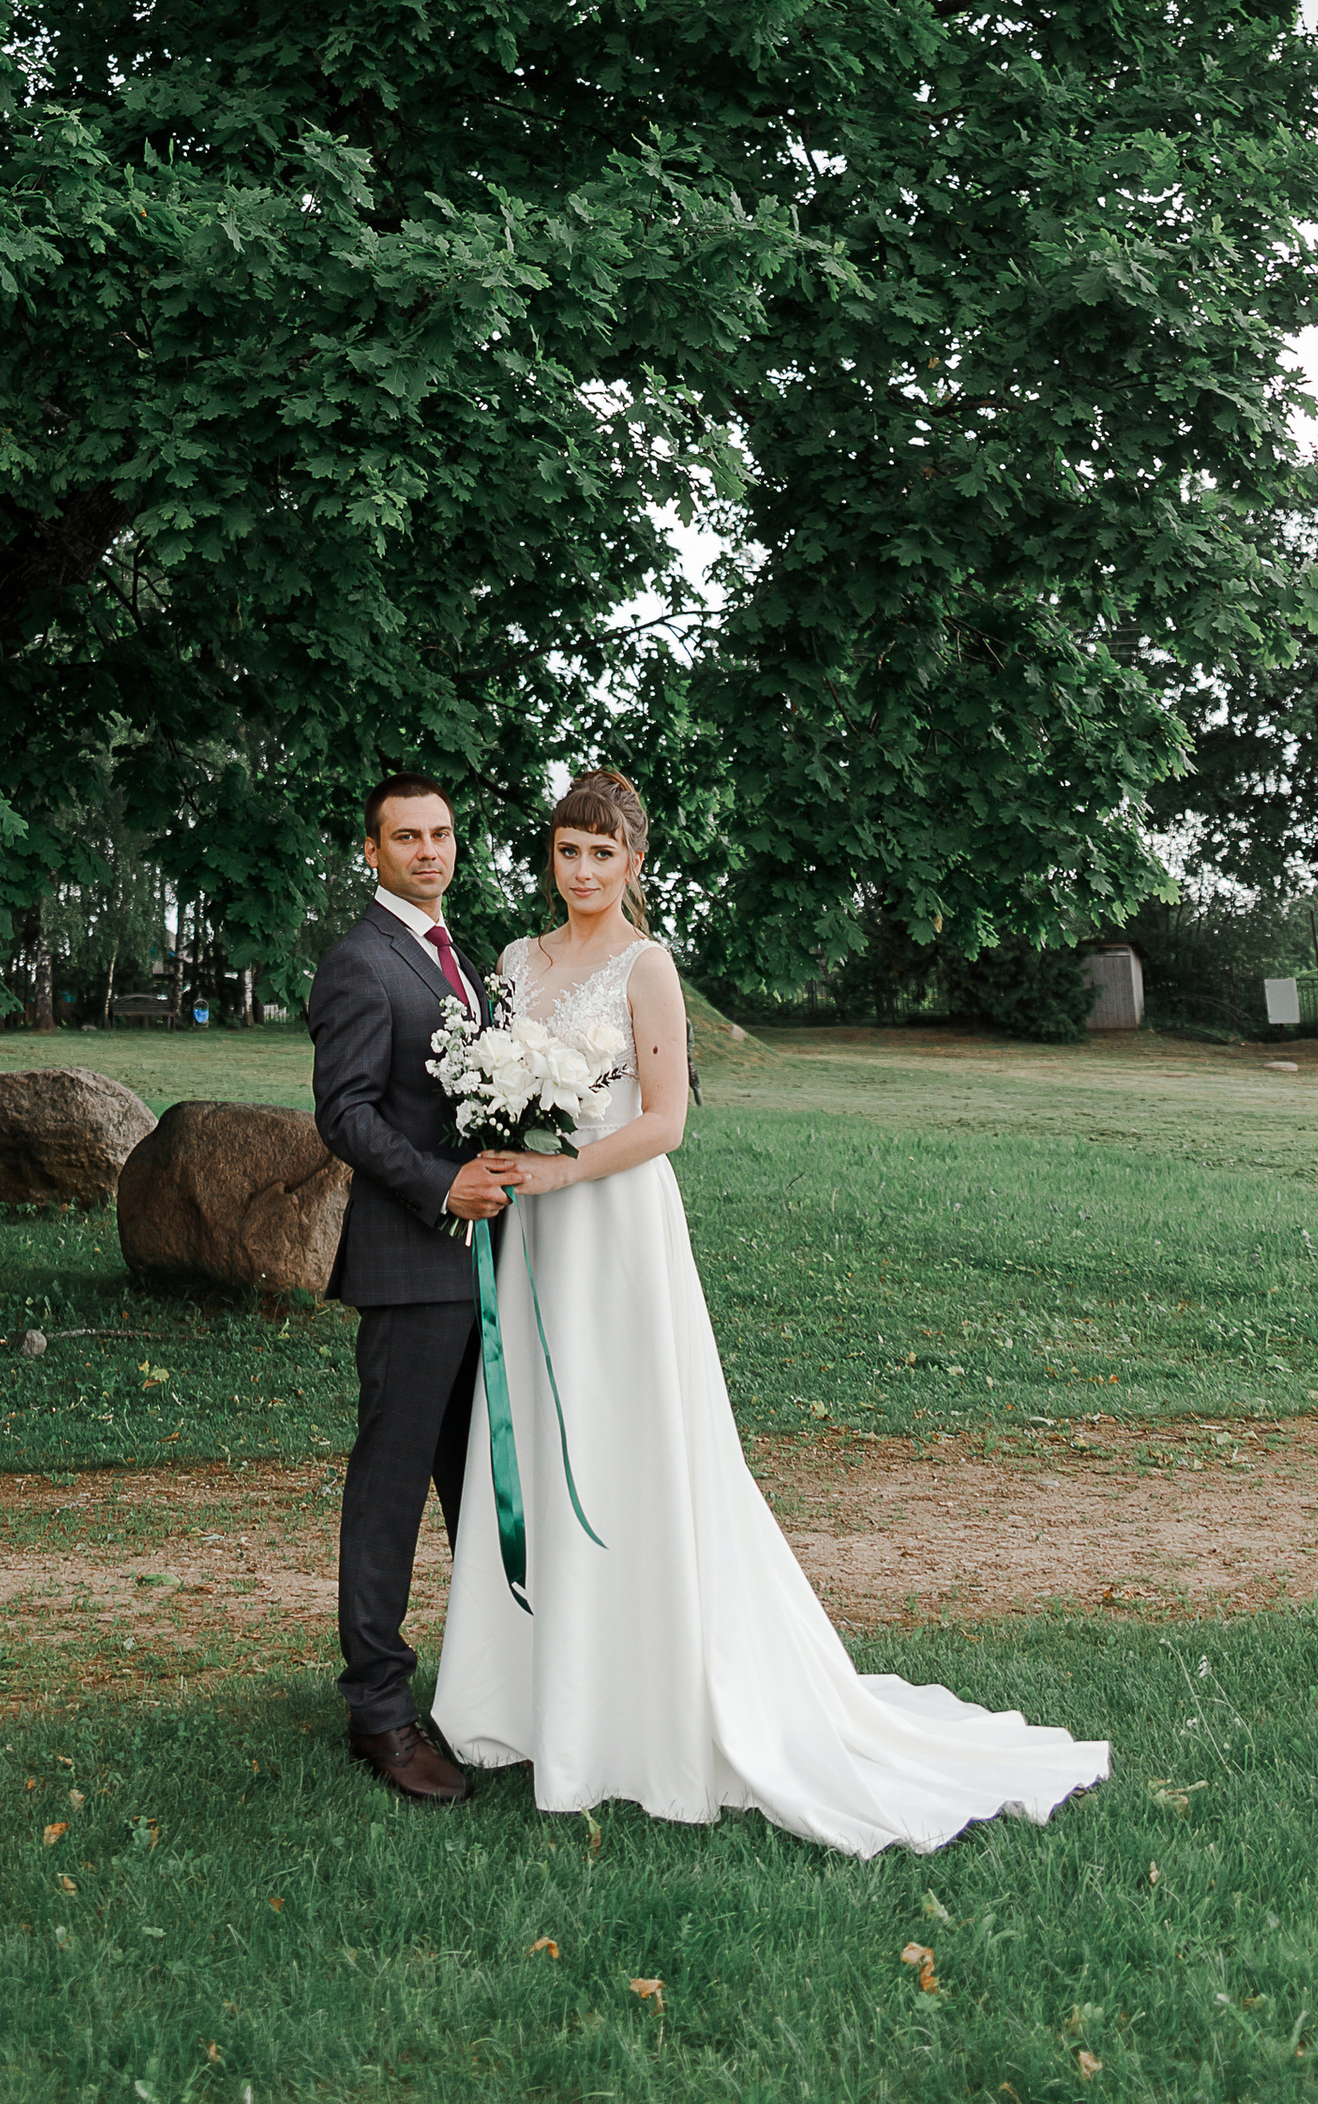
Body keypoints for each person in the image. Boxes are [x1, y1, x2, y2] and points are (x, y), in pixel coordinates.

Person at [430, 768, 1110, 1849]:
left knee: (625, 1435)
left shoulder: (647, 967)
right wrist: (502, 1131)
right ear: (550, 857)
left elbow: (664, 1122)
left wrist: (565, 1169)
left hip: (613, 1224)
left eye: (603, 853)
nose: (583, 870)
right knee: (545, 1435)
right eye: (568, 851)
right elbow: (496, 1085)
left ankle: (645, 1699)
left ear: (634, 862)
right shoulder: (515, 960)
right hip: (532, 1236)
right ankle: (534, 1696)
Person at [305, 772, 510, 1806]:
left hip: (485, 1266)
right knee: (389, 1492)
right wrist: (443, 1187)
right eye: (407, 837)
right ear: (372, 851)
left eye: (441, 834)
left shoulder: (459, 956)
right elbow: (343, 1113)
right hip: (409, 1264)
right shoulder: (359, 960)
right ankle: (378, 1712)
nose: (429, 851)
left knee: (483, 1482)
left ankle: (489, 1685)